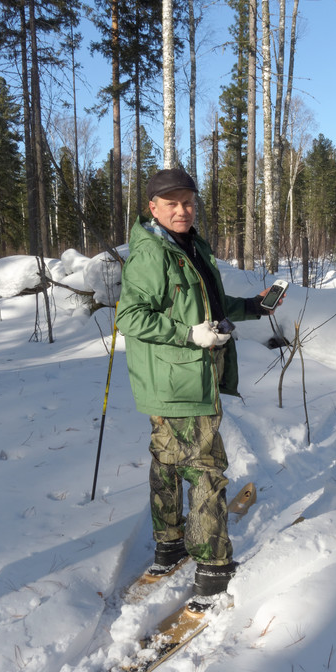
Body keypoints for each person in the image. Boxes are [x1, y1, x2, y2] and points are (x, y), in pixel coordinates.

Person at [116, 168, 283, 611]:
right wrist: (190, 335)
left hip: (175, 380)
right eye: (171, 203)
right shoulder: (152, 254)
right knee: (206, 468)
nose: (182, 210)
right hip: (180, 378)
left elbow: (209, 303)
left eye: (188, 202)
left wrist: (251, 306)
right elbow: (130, 317)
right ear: (152, 207)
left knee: (169, 462)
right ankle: (213, 568)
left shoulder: (190, 246)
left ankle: (169, 544)